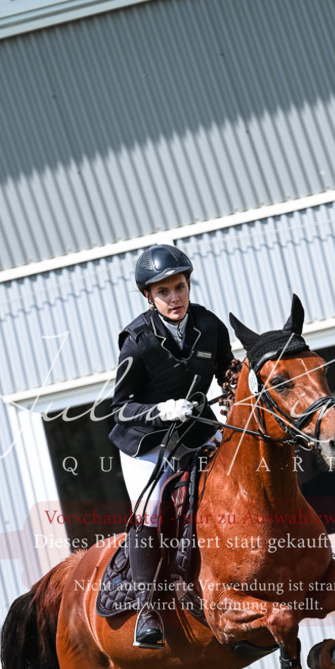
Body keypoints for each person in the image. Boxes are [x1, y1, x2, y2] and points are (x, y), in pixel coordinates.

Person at [110, 244, 234, 647]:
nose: (174, 297)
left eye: (179, 287)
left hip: (196, 425)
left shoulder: (209, 326)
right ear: (149, 296)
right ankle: (149, 609)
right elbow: (121, 408)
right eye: (163, 291)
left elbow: (227, 371)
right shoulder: (137, 341)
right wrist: (161, 411)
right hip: (145, 440)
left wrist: (238, 398)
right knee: (149, 511)